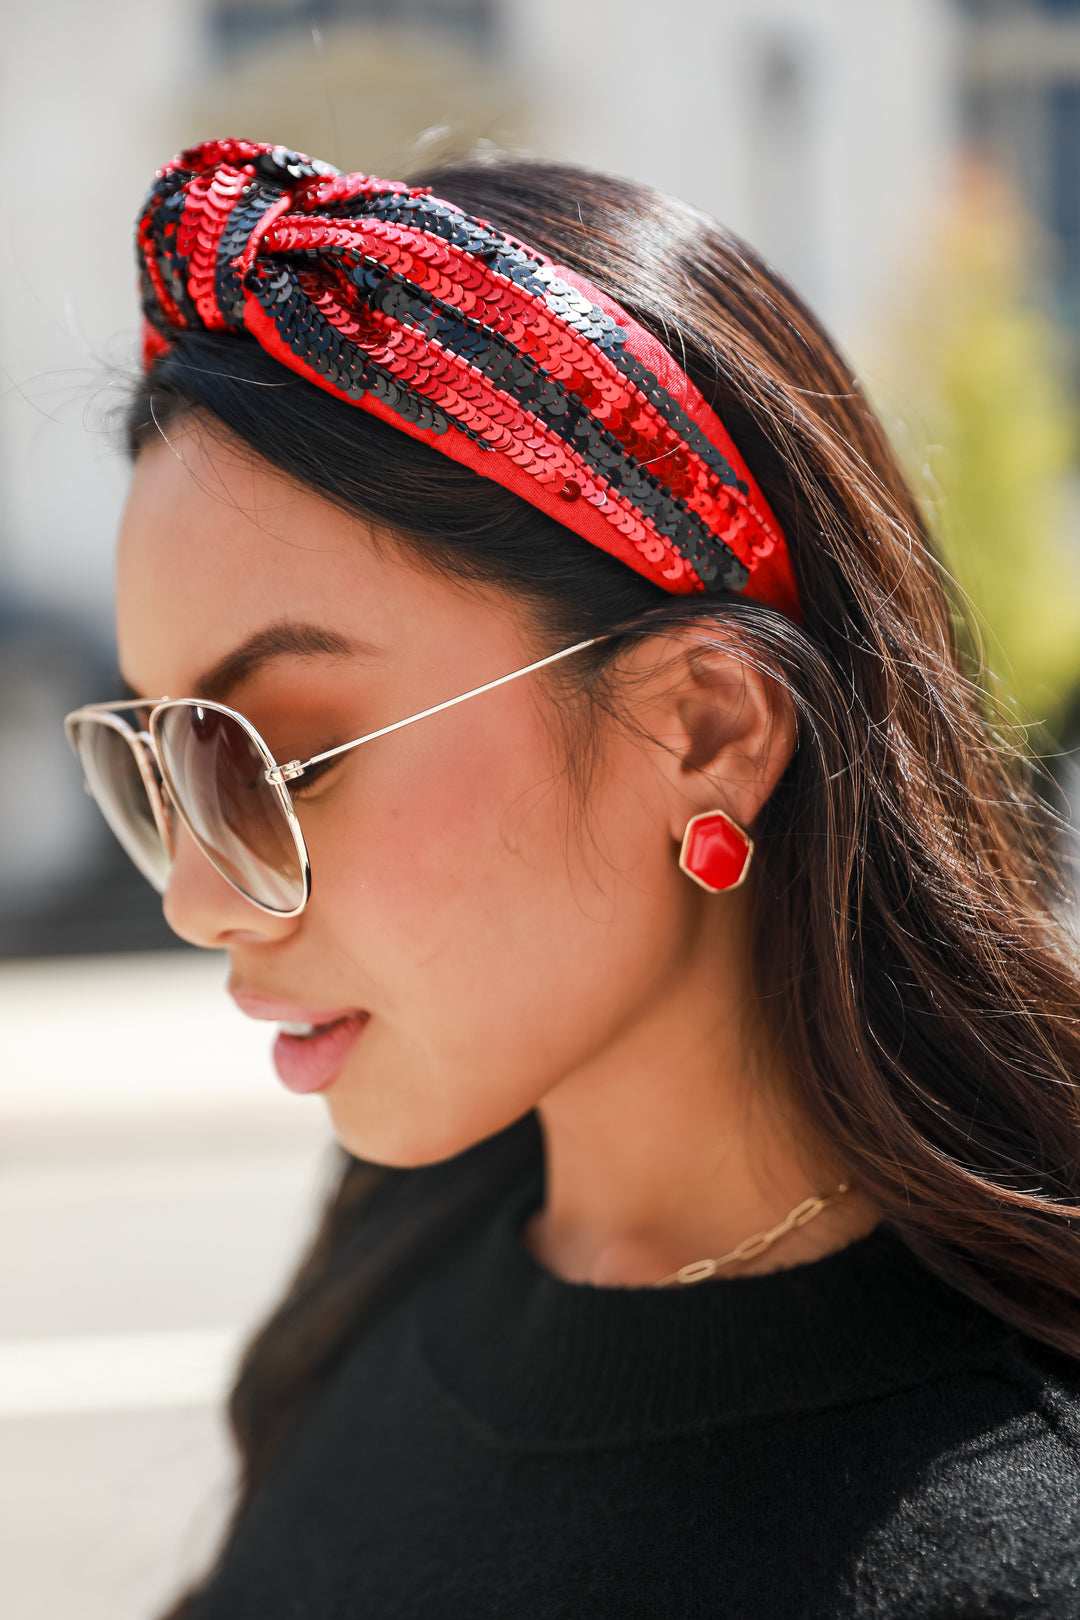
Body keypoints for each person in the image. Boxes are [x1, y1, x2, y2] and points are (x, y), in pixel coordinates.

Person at [67, 140, 1080, 1618]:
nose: (199, 901)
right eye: (163, 766)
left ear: (708, 727)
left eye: (277, 761)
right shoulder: (397, 1270)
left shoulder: (1012, 1548)